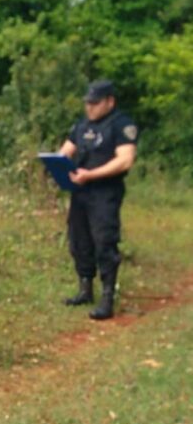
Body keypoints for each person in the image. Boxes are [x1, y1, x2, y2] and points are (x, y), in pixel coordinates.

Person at [58, 80, 138, 320]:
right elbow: (65, 151)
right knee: (79, 240)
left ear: (109, 102)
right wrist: (56, 165)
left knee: (104, 240)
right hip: (80, 191)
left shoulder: (122, 125)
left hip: (105, 192)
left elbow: (125, 160)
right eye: (87, 103)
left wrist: (91, 174)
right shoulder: (82, 126)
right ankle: (85, 289)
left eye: (95, 103)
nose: (90, 108)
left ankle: (107, 298)